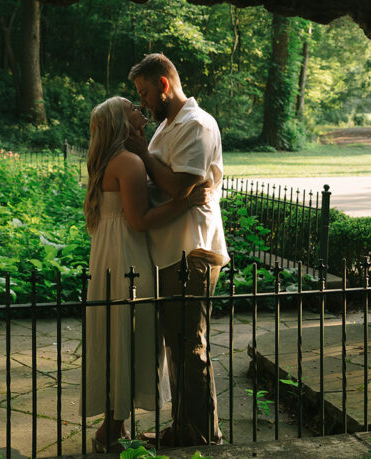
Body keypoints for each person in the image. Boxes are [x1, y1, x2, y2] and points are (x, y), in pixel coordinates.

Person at [82, 96, 212, 453]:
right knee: (126, 334)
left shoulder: (111, 158)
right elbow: (139, 220)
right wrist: (185, 202)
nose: (140, 111)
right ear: (122, 124)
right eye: (132, 110)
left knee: (115, 334)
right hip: (127, 254)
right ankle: (110, 430)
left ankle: (113, 426)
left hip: (108, 252)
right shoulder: (128, 163)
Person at [126, 53, 227, 447]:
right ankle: (183, 427)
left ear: (164, 85)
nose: (144, 101)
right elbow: (157, 184)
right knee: (178, 345)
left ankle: (202, 435)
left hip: (192, 251)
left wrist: (143, 153)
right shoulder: (166, 126)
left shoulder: (197, 125)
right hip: (170, 250)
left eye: (146, 92)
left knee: (190, 344)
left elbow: (176, 188)